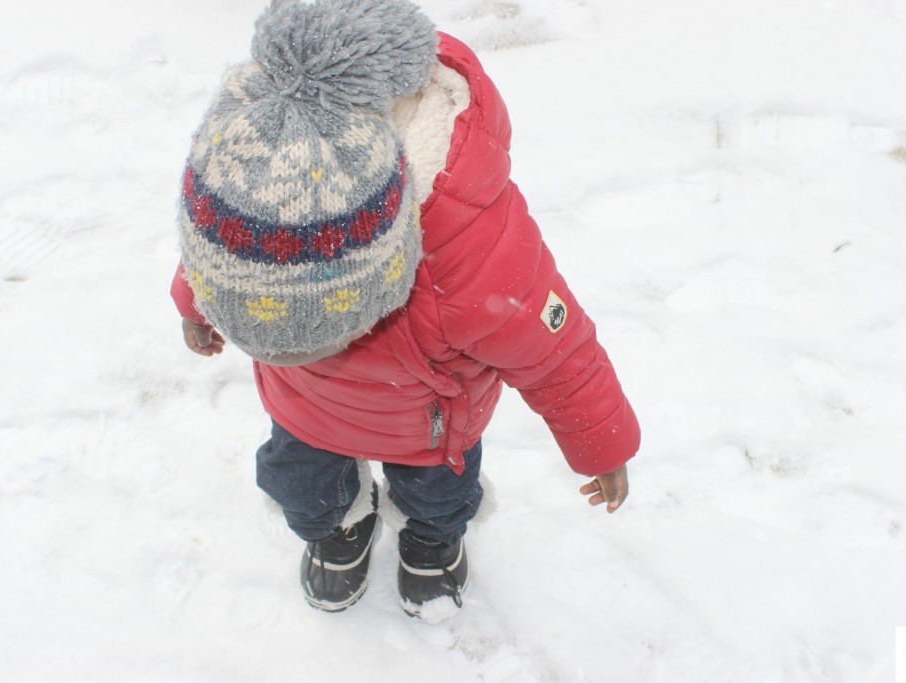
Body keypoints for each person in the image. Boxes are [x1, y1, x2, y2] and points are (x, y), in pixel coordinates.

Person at [170, 0, 640, 622]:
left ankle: (431, 545)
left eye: (302, 338)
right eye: (259, 337)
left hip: (429, 433)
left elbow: (559, 355)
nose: (274, 352)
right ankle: (337, 528)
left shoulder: (469, 258)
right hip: (306, 413)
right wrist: (197, 304)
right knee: (302, 490)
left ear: (382, 275)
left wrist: (602, 445)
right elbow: (221, 250)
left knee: (440, 500)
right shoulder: (256, 178)